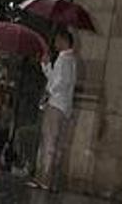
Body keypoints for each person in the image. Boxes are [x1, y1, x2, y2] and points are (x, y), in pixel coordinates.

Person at [32, 29, 78, 191]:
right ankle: (50, 179)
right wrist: (46, 65)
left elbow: (59, 83)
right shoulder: (69, 60)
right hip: (63, 106)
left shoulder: (64, 60)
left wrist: (48, 92)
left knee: (49, 141)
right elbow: (56, 79)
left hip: (56, 105)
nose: (55, 43)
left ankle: (45, 178)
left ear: (64, 40)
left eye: (57, 40)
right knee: (56, 144)